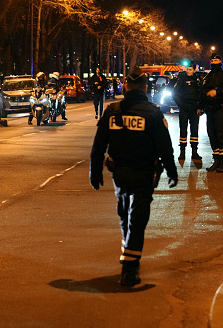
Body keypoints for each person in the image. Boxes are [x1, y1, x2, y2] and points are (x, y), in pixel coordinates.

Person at [89, 67, 178, 287]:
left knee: (125, 216)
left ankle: (129, 256)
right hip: (144, 174)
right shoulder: (153, 113)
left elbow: (99, 145)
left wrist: (95, 170)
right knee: (137, 220)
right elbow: (164, 146)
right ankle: (129, 267)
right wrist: (171, 170)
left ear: (126, 87)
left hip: (119, 173)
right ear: (146, 88)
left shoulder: (112, 111)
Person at [201, 54, 223, 172]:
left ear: (220, 61)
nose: (214, 62)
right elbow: (202, 92)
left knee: (221, 135)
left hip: (220, 109)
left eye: (216, 60)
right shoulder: (208, 76)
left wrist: (217, 91)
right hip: (210, 110)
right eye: (212, 60)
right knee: (212, 135)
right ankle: (217, 160)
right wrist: (200, 106)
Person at [173, 63, 202, 160]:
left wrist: (199, 107)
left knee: (194, 131)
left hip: (194, 108)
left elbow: (201, 94)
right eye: (187, 69)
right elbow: (175, 94)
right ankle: (182, 153)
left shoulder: (198, 81)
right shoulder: (181, 80)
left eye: (190, 69)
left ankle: (194, 152)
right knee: (183, 130)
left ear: (194, 70)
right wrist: (181, 105)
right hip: (184, 108)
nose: (188, 71)